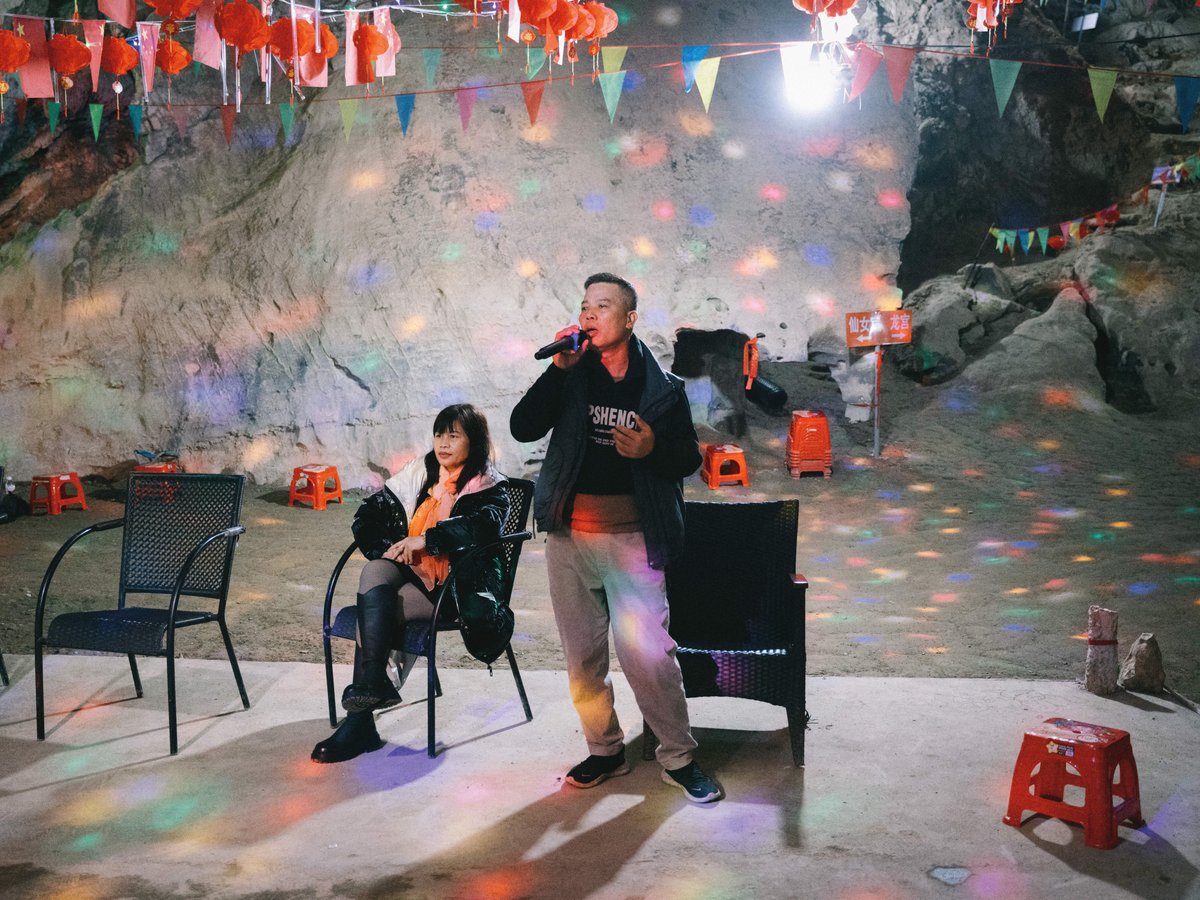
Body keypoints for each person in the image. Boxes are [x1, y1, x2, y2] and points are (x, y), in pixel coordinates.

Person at [509, 272, 723, 803]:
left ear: (629, 320)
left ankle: (677, 756)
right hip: (569, 539)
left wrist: (652, 448)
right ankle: (604, 749)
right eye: (585, 306)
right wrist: (558, 372)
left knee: (649, 656)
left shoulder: (662, 389)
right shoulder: (571, 375)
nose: (589, 315)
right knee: (583, 658)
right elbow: (522, 427)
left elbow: (689, 458)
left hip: (632, 543)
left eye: (602, 306)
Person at [312, 403, 510, 764]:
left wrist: (428, 540)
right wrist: (388, 548)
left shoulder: (490, 486)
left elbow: (482, 527)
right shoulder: (422, 474)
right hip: (416, 576)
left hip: (457, 588)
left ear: (474, 441)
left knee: (377, 612)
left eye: (454, 435)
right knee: (374, 572)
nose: (443, 444)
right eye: (439, 434)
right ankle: (373, 688)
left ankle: (360, 721)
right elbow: (370, 512)